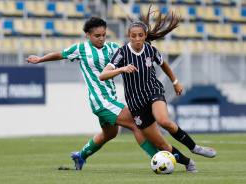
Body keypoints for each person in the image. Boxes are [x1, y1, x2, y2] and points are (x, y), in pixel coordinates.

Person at [25, 16, 160, 171]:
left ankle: (80, 156)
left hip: (111, 98)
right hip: (100, 101)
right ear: (88, 35)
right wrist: (40, 59)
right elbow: (59, 54)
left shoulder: (112, 48)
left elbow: (131, 55)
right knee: (136, 123)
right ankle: (157, 157)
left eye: (103, 35)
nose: (101, 38)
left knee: (110, 134)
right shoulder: (80, 49)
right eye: (97, 36)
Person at [99, 4, 216, 172]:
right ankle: (188, 163)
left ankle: (194, 147)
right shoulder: (122, 53)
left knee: (164, 121)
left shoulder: (151, 50)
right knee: (161, 144)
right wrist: (122, 69)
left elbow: (164, 65)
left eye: (140, 35)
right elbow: (103, 75)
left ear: (145, 35)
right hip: (136, 103)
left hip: (153, 91)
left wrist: (175, 82)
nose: (137, 39)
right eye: (134, 36)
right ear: (128, 36)